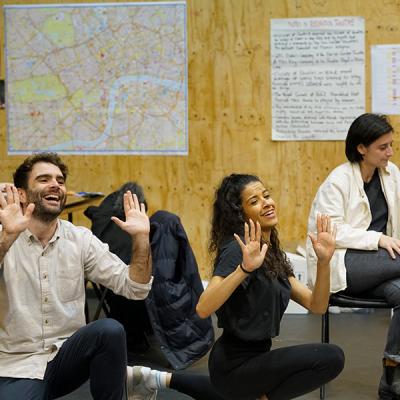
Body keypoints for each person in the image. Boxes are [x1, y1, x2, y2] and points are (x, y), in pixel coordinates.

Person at [0, 152, 225, 400]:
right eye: (44, 179)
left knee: (110, 330)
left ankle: (122, 383)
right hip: (16, 365)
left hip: (67, 357)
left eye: (60, 180)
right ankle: (128, 375)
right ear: (21, 193)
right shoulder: (5, 235)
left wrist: (140, 238)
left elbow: (135, 288)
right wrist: (8, 238)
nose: (55, 184)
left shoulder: (80, 239)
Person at [196, 173, 344, 400]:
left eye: (266, 195)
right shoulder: (237, 249)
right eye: (254, 201)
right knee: (331, 356)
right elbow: (203, 308)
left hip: (257, 360)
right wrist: (244, 269)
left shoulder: (271, 253)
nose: (266, 203)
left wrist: (324, 262)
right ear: (240, 213)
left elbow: (317, 305)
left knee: (331, 357)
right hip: (233, 367)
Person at [306, 113, 400, 400]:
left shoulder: (391, 173)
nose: (390, 152)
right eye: (383, 147)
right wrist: (378, 239)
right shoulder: (337, 181)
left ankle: (392, 369)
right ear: (362, 148)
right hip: (344, 264)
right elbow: (331, 231)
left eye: (391, 145)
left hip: (380, 267)